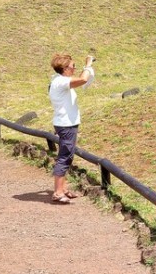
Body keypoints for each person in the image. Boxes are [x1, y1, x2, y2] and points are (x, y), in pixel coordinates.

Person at [48, 53, 94, 204]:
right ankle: (57, 192)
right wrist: (88, 65)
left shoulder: (58, 80)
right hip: (66, 124)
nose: (75, 69)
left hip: (65, 123)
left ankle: (63, 188)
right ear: (65, 68)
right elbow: (83, 79)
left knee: (67, 155)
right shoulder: (61, 81)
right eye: (73, 66)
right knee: (65, 156)